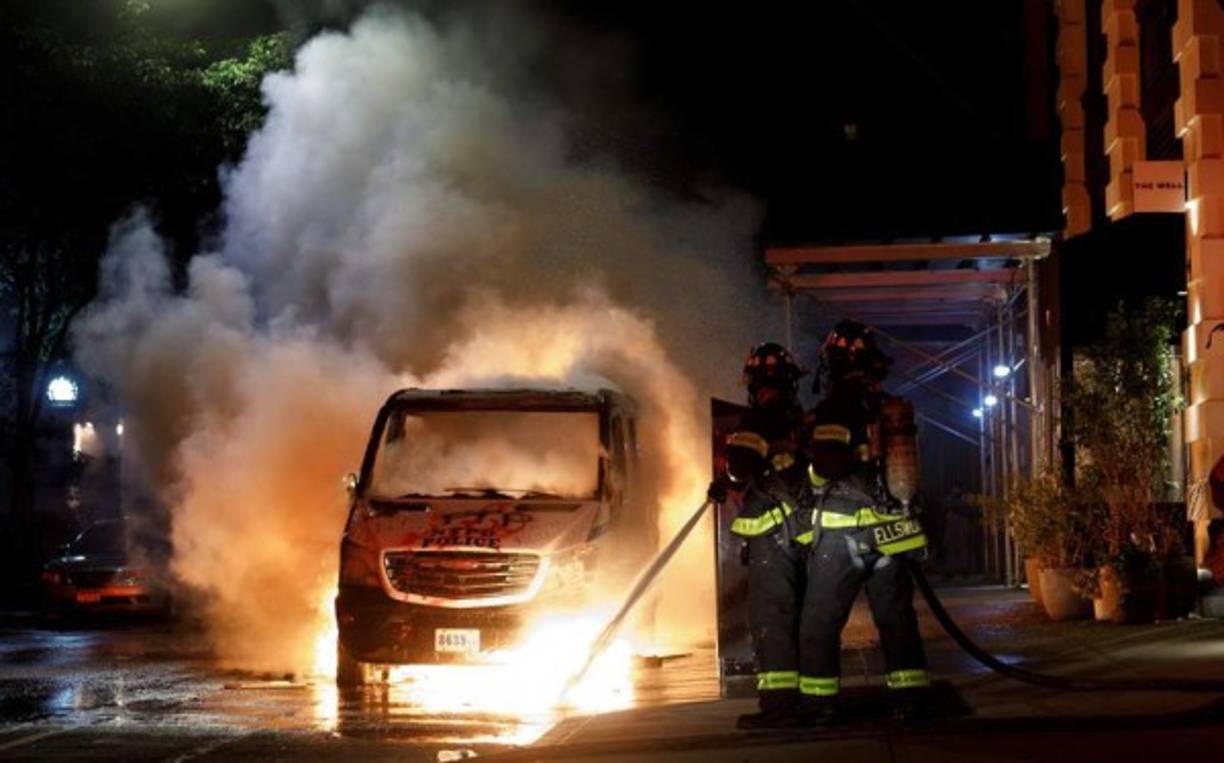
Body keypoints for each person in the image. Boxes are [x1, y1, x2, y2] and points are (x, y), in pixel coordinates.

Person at [797, 320, 931, 723]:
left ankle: (820, 703)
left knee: (820, 620)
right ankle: (910, 699)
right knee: (896, 619)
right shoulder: (890, 406)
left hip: (843, 534)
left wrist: (813, 479)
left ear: (832, 365)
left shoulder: (834, 408)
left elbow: (825, 465)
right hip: (891, 533)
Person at [709, 342, 811, 729]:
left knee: (772, 617)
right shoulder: (797, 417)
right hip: (805, 532)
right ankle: (805, 697)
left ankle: (780, 706)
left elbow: (742, 464)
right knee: (800, 614)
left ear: (753, 382)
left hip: (774, 533)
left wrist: (725, 480)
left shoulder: (758, 417)